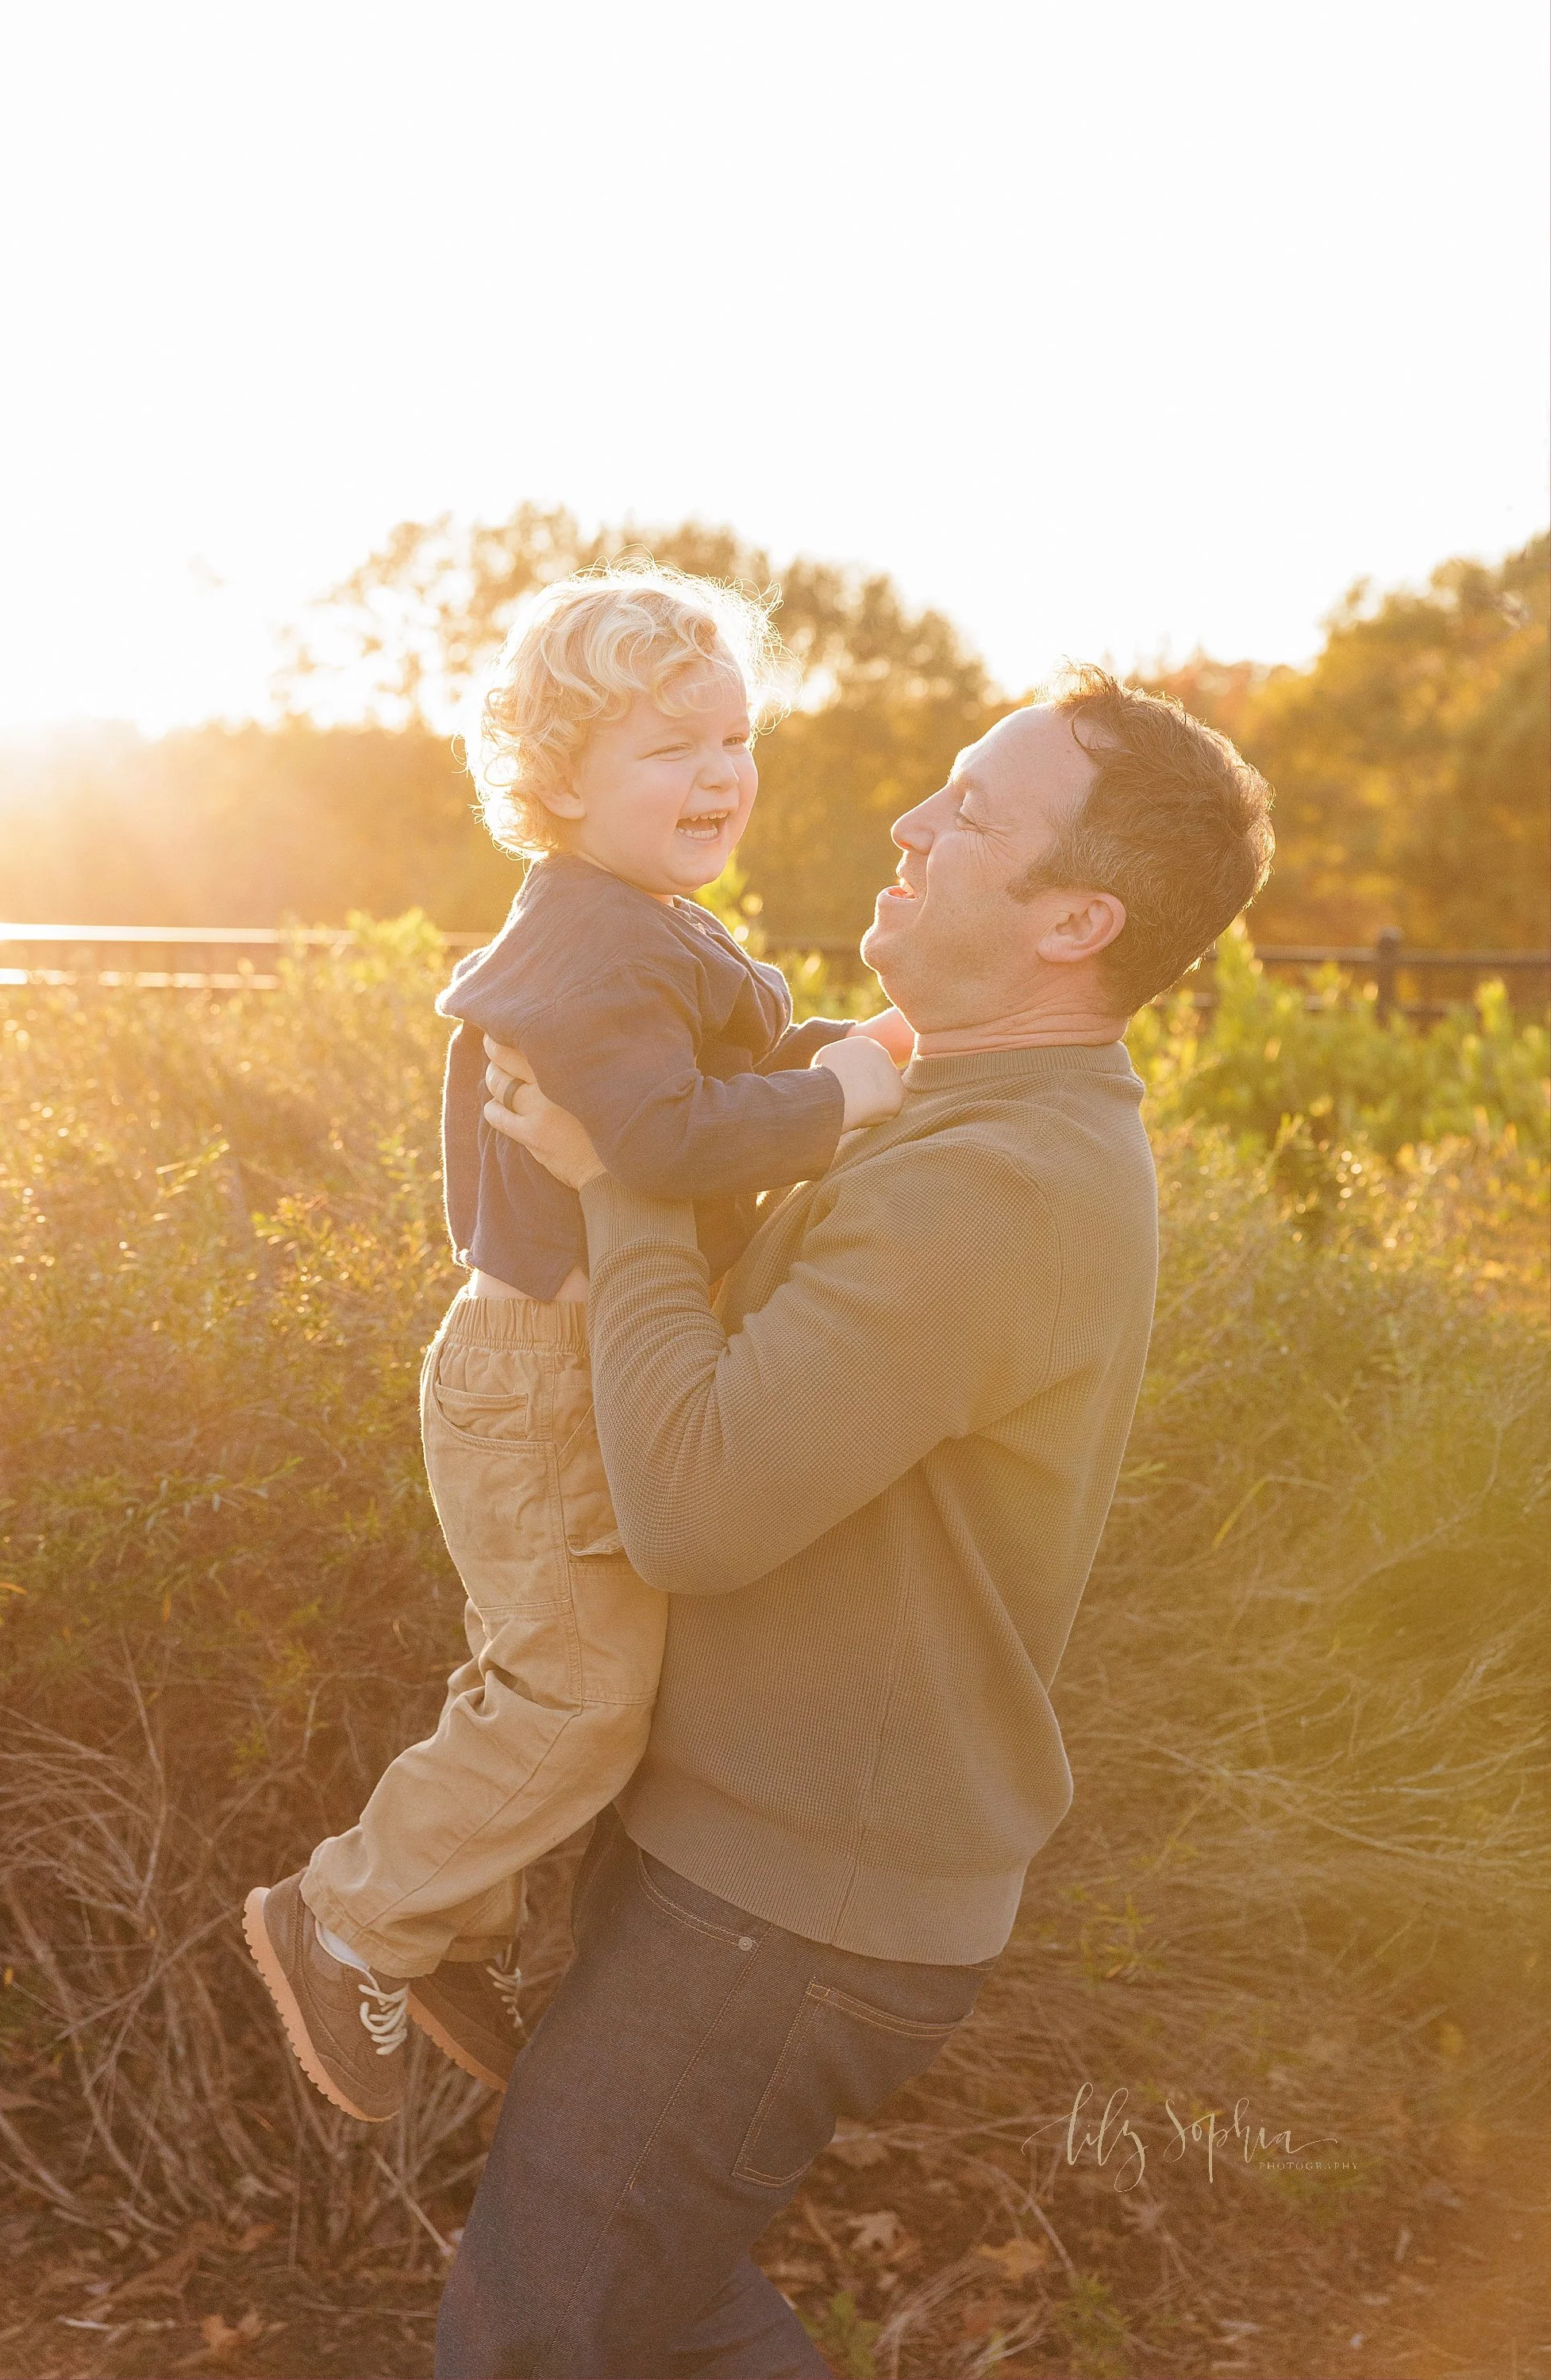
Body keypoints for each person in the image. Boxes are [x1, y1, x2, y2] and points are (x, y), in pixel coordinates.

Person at [435, 668, 1274, 2379]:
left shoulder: (1001, 1184)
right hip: (752, 1861)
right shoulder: (941, 1101)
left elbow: (692, 1503)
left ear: (1074, 921)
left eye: (970, 814)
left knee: (541, 2332)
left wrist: (625, 1176)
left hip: (784, 1908)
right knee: (652, 2305)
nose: (909, 821)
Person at [243, 565, 910, 2122]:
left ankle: (437, 1923)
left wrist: (856, 1053)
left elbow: (703, 1080)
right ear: (557, 778)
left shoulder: (639, 924)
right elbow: (663, 1137)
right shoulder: (599, 943)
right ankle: (351, 1916)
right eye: (670, 746)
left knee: (555, 1670)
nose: (719, 772)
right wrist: (838, 1102)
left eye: (734, 735)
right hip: (544, 1365)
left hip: (570, 1360)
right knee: (575, 1696)